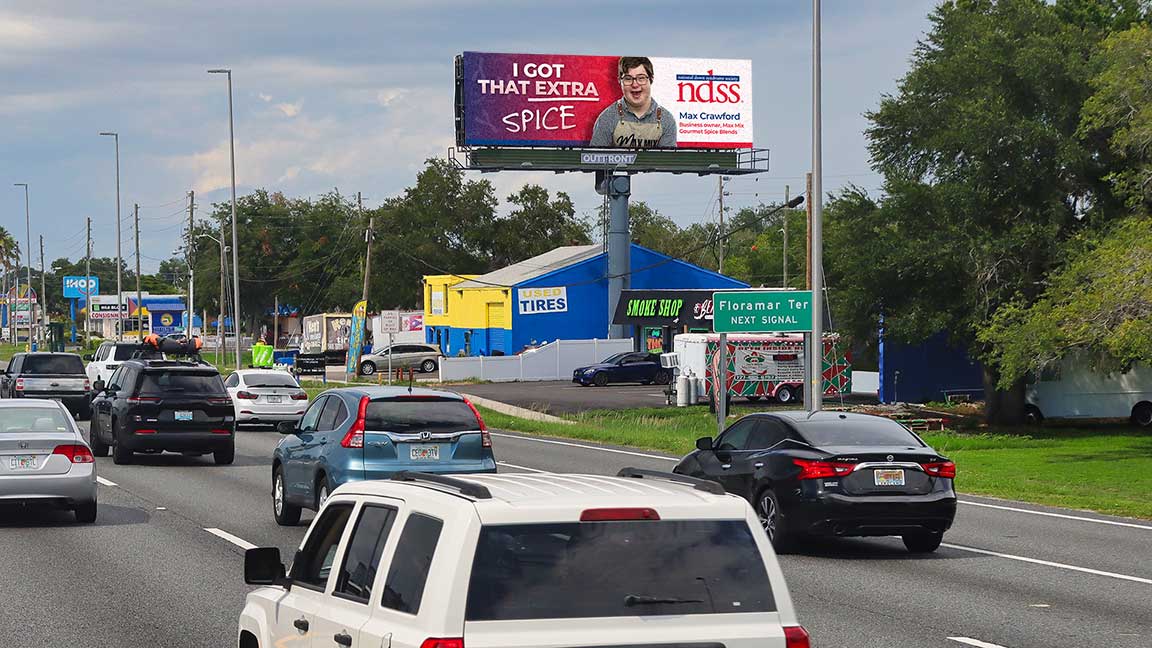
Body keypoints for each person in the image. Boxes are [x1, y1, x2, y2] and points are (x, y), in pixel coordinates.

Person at [589, 56, 677, 149]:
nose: (635, 84)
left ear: (651, 79)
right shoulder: (607, 118)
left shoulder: (667, 120)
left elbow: (667, 158)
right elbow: (594, 157)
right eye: (628, 78)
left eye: (641, 78)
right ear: (620, 81)